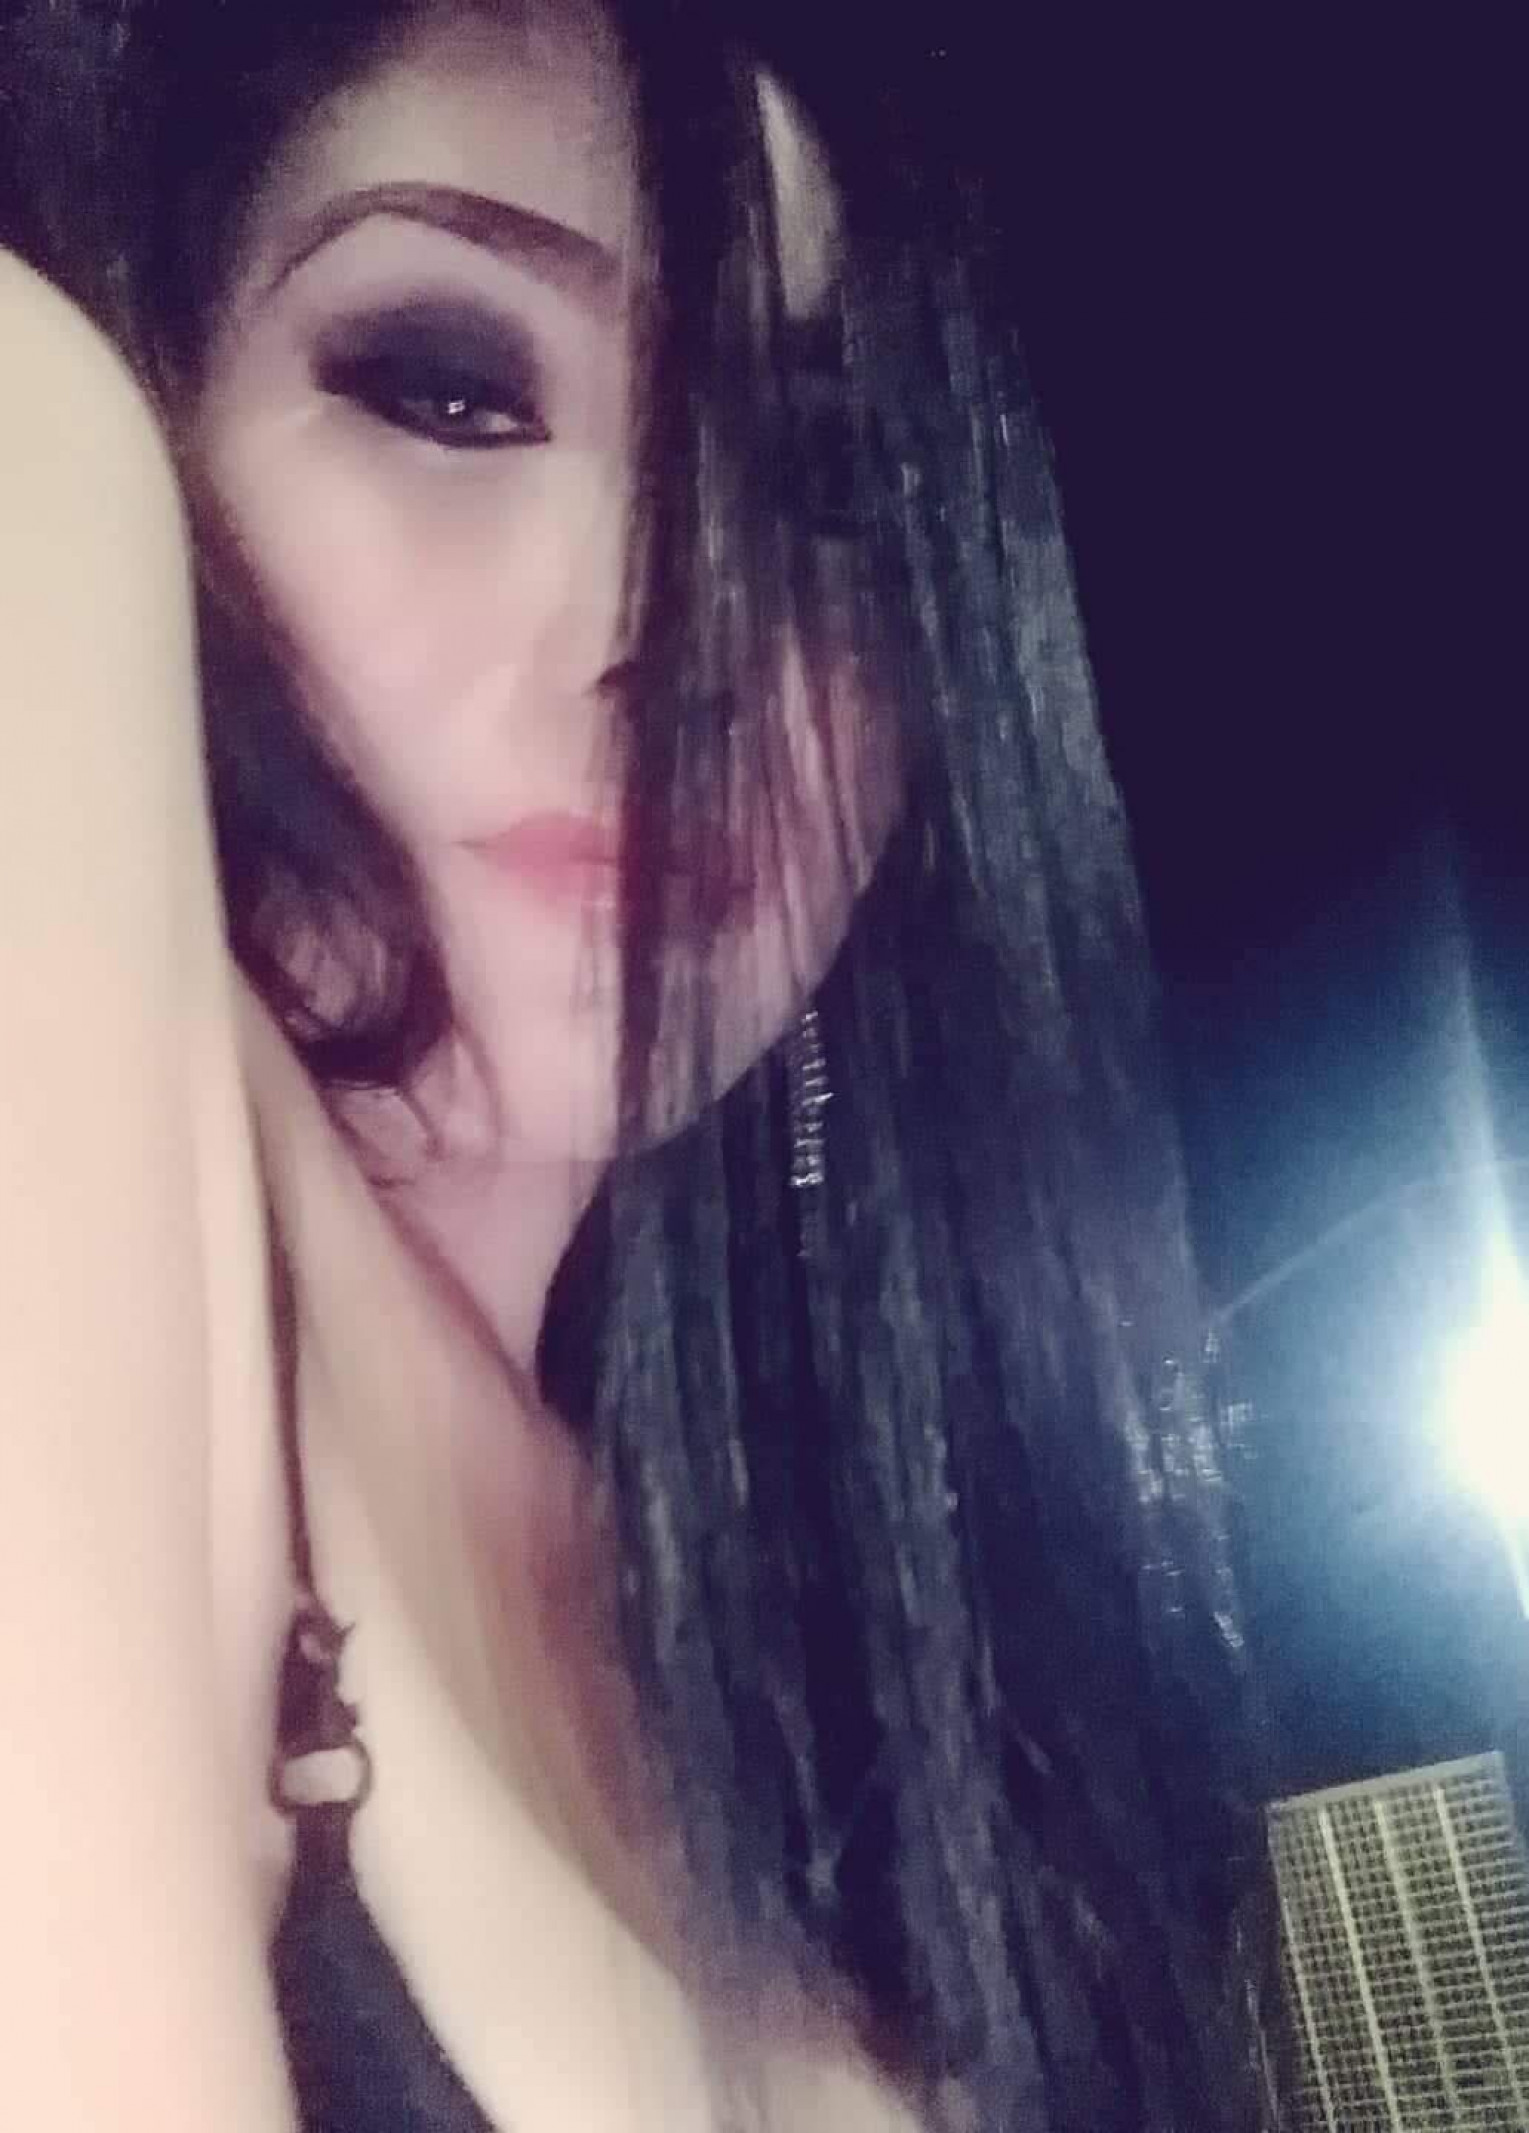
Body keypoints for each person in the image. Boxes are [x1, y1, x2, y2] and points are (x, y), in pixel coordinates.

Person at [0, 0, 1276, 2125]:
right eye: (446, 386)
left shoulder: (880, 1676)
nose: (678, 627)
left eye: (819, 487)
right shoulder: (34, 444)